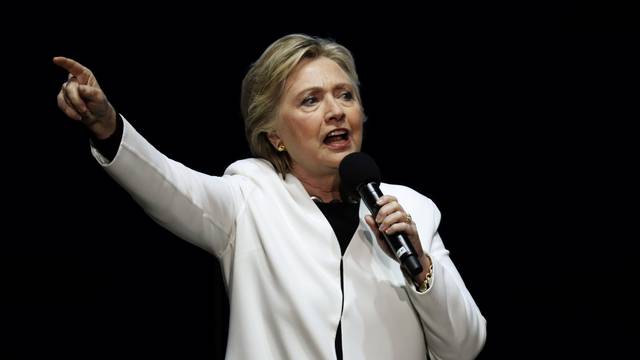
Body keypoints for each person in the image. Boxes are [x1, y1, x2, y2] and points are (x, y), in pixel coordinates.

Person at [54, 34, 486, 360]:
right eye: (310, 100)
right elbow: (170, 185)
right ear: (275, 135)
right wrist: (109, 128)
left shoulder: (410, 209)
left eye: (345, 95)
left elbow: (464, 345)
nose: (336, 111)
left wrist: (421, 269)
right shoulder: (251, 197)